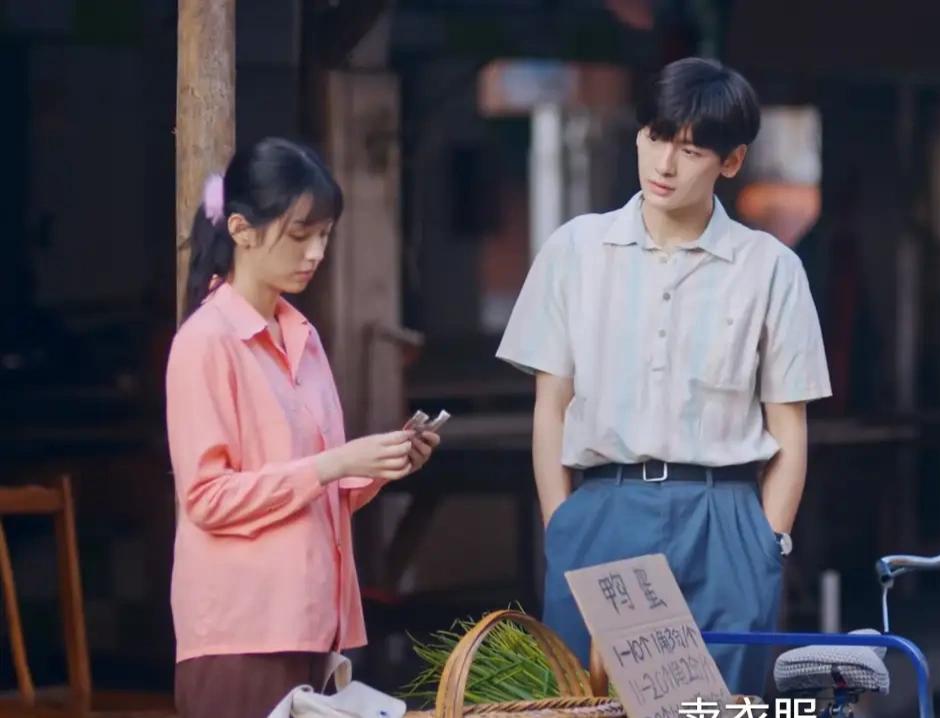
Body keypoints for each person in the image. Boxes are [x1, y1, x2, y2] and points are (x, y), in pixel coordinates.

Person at [496, 58, 831, 695]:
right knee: (590, 703)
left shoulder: (771, 269)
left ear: (731, 162)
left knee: (716, 706)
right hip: (604, 507)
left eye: (691, 150)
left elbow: (790, 425)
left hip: (724, 518)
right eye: (655, 137)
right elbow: (551, 405)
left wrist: (769, 542)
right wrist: (560, 524)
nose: (665, 165)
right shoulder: (575, 251)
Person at [166, 137, 440, 718]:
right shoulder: (205, 342)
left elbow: (321, 491)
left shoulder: (303, 337)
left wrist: (381, 464)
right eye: (299, 235)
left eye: (324, 236)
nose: (315, 252)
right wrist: (335, 464)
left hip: (313, 628)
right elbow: (207, 498)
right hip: (239, 634)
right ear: (240, 230)